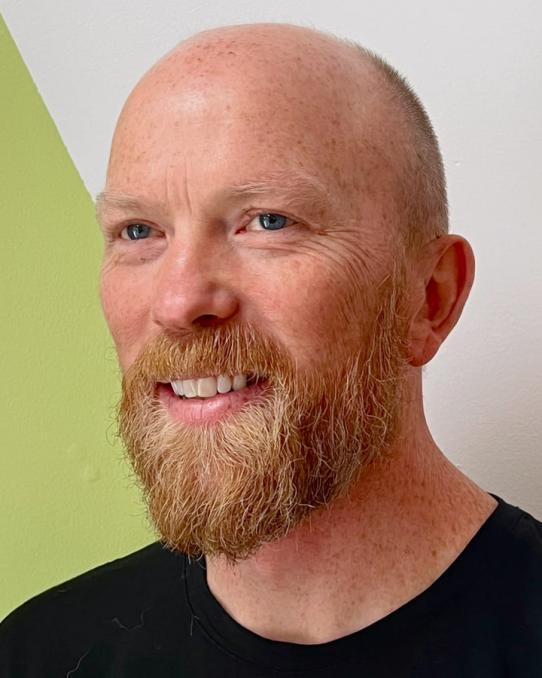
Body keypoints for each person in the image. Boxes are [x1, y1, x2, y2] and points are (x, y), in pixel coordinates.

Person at [1, 22, 540, 677]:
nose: (178, 302)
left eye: (269, 222)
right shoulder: (36, 654)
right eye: (138, 230)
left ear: (429, 297)